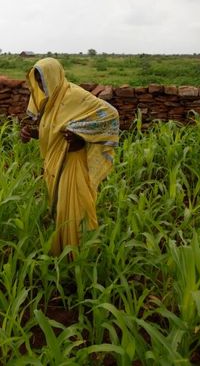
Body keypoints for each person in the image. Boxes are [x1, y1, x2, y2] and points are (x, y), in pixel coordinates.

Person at [20, 57, 120, 256]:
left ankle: (82, 258)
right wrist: (31, 134)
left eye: (44, 80)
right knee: (60, 210)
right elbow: (53, 131)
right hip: (54, 164)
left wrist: (82, 137)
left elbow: (111, 114)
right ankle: (63, 257)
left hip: (73, 163)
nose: (42, 85)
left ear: (54, 76)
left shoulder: (74, 96)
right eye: (38, 81)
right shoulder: (50, 102)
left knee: (75, 210)